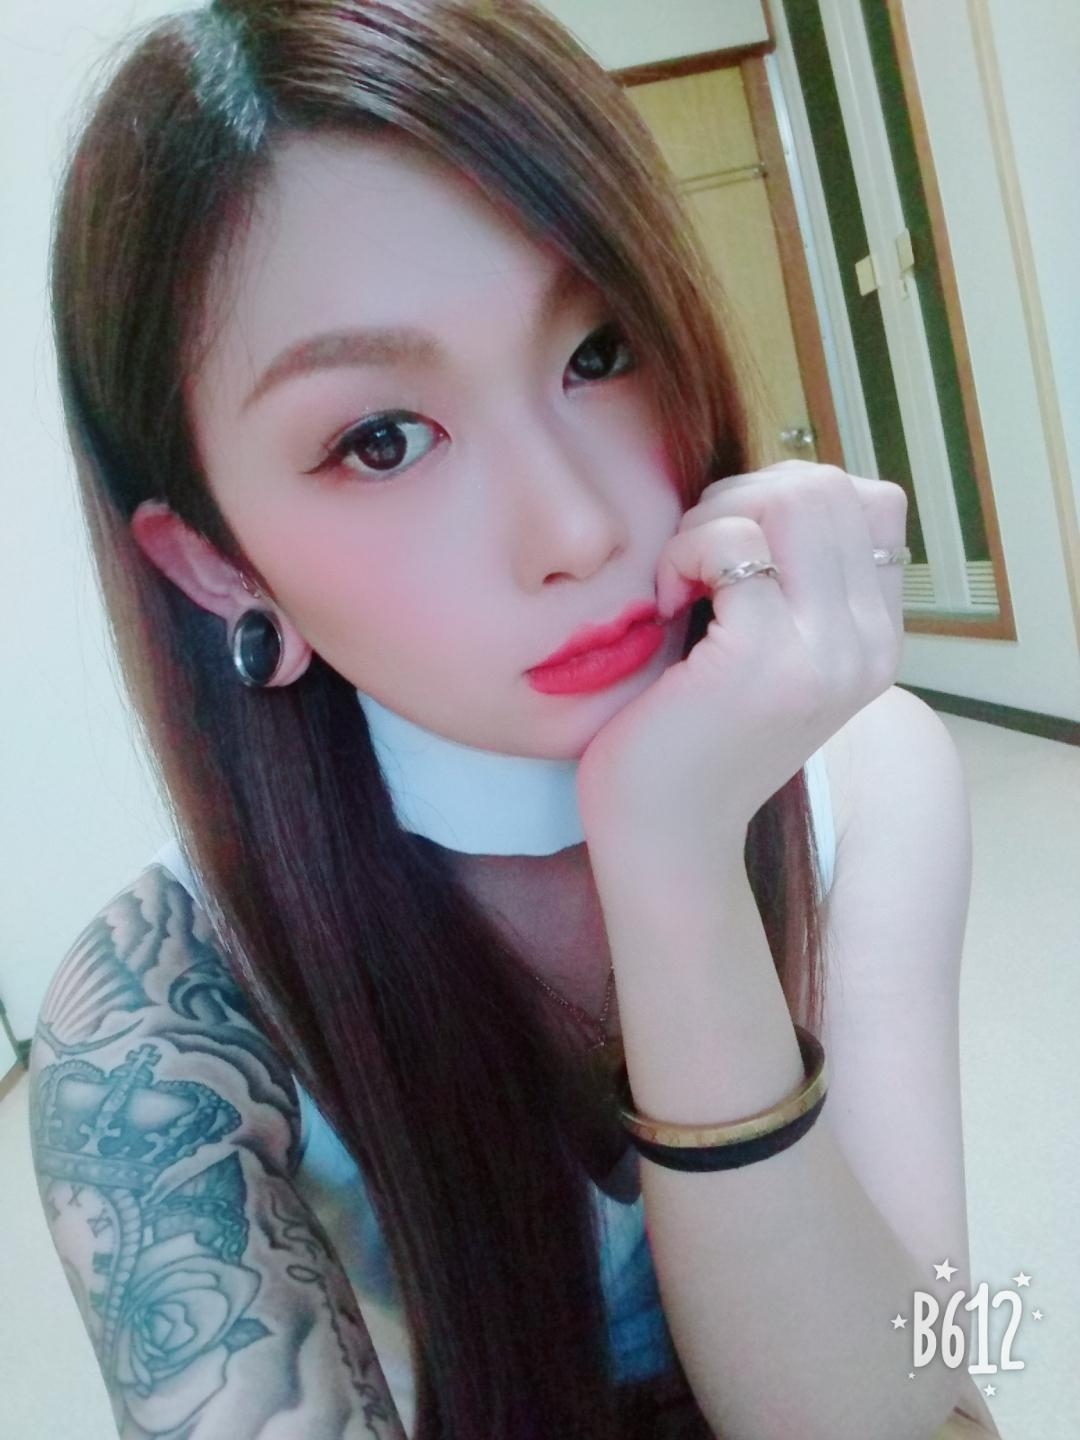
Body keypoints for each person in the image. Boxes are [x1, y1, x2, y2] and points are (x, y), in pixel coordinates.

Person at [28, 2, 1000, 1437]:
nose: (577, 526)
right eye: (380, 440)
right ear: (221, 563)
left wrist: (673, 861)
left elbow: (927, 1386)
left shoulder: (866, 775)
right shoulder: (156, 1030)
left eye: (600, 350)